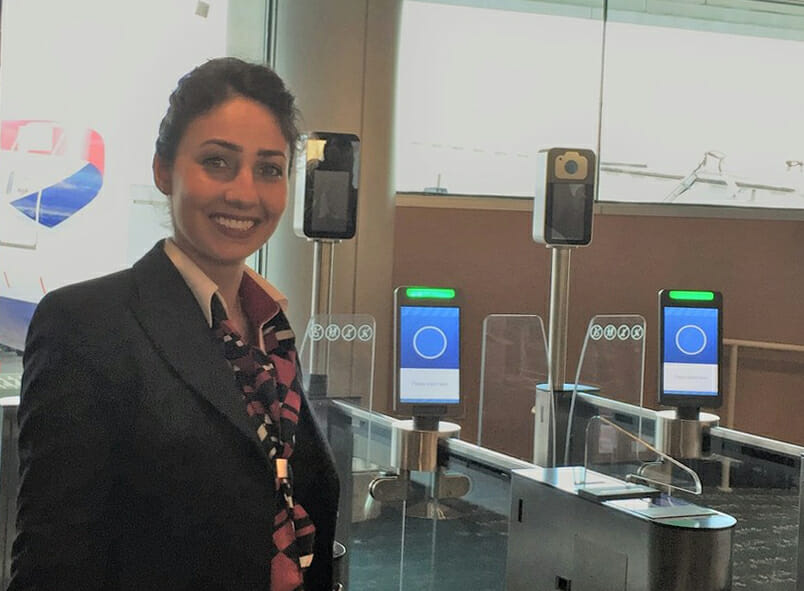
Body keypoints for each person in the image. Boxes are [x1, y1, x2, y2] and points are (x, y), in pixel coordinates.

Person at [9, 57, 340, 591]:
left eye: (269, 168)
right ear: (164, 170)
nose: (244, 193)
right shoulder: (86, 325)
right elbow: (54, 563)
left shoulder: (269, 330)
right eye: (217, 162)